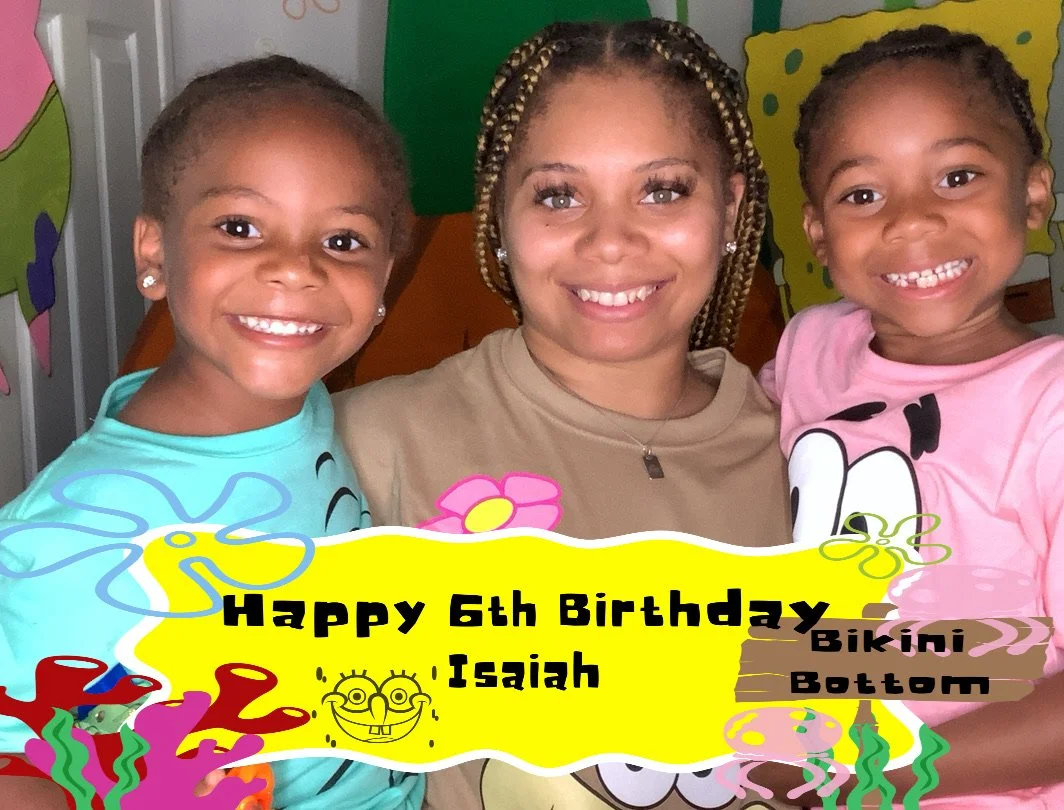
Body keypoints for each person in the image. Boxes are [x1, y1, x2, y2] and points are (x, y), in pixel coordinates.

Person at [336, 19, 794, 810]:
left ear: (730, 207)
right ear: (500, 218)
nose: (610, 240)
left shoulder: (816, 447)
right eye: (558, 195)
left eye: (663, 189)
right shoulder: (372, 439)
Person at [0, 56, 423, 810]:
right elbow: (2, 758)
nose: (296, 270)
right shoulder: (58, 544)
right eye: (241, 227)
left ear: (384, 276)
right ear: (154, 254)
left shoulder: (304, 404)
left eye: (344, 241)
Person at [758, 25, 1064, 807]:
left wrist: (870, 777)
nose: (910, 220)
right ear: (818, 233)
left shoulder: (1050, 405)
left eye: (957, 176)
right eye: (863, 194)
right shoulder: (811, 347)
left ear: (1033, 193)